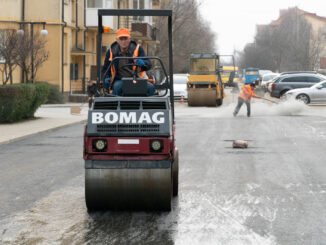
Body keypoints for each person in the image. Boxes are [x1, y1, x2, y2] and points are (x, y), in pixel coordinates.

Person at [102, 28, 154, 96]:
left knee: (150, 87)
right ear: (117, 40)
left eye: (125, 38)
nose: (123, 41)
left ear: (130, 39)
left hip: (137, 79)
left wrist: (143, 63)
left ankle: (148, 106)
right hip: (120, 80)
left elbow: (149, 64)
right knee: (117, 87)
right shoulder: (111, 51)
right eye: (121, 39)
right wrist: (106, 78)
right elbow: (106, 69)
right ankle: (119, 106)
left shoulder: (137, 49)